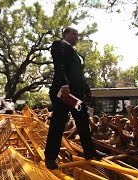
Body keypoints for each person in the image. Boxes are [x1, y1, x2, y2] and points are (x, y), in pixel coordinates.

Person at [44, 27, 103, 169]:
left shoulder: (77, 53)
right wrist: (64, 84)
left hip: (76, 94)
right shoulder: (59, 45)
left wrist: (87, 89)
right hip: (63, 93)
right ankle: (50, 157)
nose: (77, 36)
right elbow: (60, 66)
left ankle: (90, 152)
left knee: (83, 121)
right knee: (58, 123)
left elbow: (79, 75)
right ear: (65, 34)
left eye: (78, 34)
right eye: (74, 34)